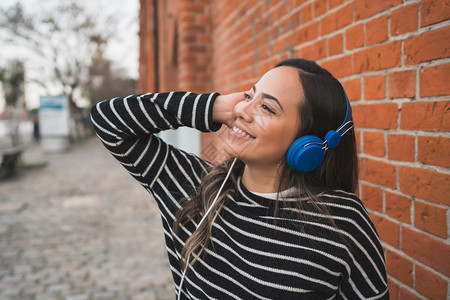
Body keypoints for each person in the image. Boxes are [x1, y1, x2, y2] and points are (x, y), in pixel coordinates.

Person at [91, 58, 389, 299]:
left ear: (307, 145)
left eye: (266, 107)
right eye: (249, 95)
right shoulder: (191, 185)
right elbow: (108, 120)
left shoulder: (343, 221)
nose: (242, 110)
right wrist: (213, 107)